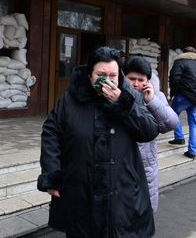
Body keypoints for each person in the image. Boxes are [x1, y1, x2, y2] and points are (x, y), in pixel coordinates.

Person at [37, 47, 159, 238]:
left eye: (113, 75)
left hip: (122, 192)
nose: (108, 80)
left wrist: (121, 104)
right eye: (101, 75)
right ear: (89, 75)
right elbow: (51, 133)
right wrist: (52, 174)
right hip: (80, 190)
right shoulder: (69, 100)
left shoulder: (131, 97)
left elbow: (149, 131)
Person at [123, 56, 179, 212]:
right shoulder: (117, 96)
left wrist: (151, 100)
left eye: (141, 79)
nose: (136, 84)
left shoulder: (155, 96)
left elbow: (171, 123)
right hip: (122, 160)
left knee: (143, 211)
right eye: (131, 79)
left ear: (148, 80)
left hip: (145, 163)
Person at [168, 46, 196, 159]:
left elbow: (174, 78)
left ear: (183, 53)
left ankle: (179, 137)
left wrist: (173, 94)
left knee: (172, 114)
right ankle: (192, 151)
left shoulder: (180, 61)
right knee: (194, 124)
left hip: (183, 96)